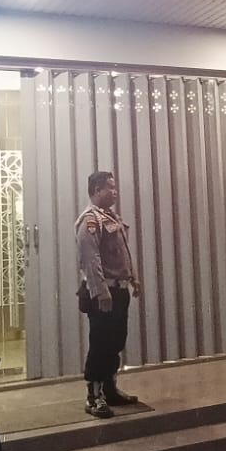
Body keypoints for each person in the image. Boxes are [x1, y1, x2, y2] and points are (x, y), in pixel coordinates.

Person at [76, 170, 144, 418]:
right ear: (97, 190)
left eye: (115, 188)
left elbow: (122, 252)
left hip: (119, 289)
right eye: (110, 188)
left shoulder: (111, 217)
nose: (114, 192)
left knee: (116, 341)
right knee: (100, 343)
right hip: (104, 293)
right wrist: (101, 292)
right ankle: (94, 396)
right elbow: (91, 259)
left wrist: (133, 278)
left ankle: (110, 389)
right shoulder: (90, 221)